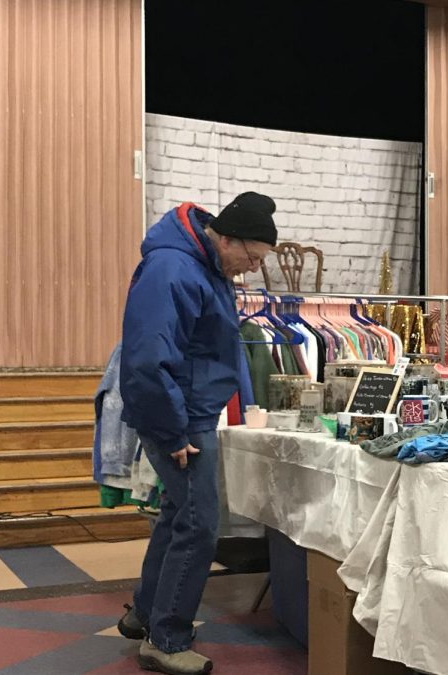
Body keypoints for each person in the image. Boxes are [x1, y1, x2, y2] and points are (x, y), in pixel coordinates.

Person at [117, 192, 277, 675]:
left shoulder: (203, 265)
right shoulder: (173, 269)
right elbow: (147, 357)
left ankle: (144, 613)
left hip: (188, 412)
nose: (250, 269)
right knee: (198, 527)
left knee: (177, 516)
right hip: (179, 419)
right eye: (249, 257)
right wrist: (172, 430)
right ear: (224, 237)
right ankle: (164, 639)